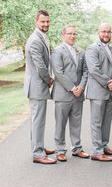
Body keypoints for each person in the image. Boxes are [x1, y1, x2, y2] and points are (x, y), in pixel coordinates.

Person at [51, 25, 89, 162]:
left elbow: (86, 71)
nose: (72, 36)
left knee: (76, 122)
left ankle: (77, 148)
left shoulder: (81, 51)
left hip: (79, 94)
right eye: (69, 34)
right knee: (60, 123)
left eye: (74, 33)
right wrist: (73, 88)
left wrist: (81, 87)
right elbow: (58, 72)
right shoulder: (57, 51)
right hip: (63, 94)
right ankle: (60, 150)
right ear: (63, 35)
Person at [24, 10, 56, 164]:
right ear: (36, 21)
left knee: (38, 120)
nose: (46, 24)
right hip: (37, 86)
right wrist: (50, 80)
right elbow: (40, 67)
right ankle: (37, 154)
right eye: (43, 21)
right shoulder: (35, 40)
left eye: (47, 21)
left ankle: (39, 146)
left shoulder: (41, 36)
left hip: (37, 86)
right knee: (38, 121)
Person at [85, 23, 112, 162]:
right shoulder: (92, 49)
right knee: (97, 122)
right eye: (103, 31)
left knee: (107, 121)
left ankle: (104, 146)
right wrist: (108, 82)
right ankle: (97, 151)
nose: (106, 34)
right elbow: (94, 70)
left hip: (110, 91)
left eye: (109, 32)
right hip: (98, 91)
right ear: (98, 32)